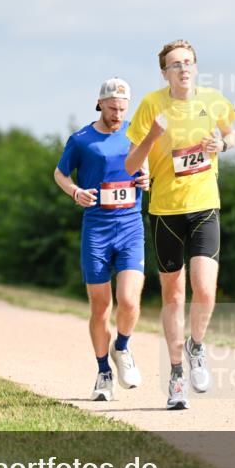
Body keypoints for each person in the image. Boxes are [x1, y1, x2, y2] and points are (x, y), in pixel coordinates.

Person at [124, 40, 235, 410]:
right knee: (173, 295)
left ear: (195, 67)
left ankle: (197, 347)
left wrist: (222, 144)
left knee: (205, 290)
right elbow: (130, 165)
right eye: (175, 65)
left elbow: (231, 134)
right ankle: (176, 376)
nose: (183, 69)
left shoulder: (213, 99)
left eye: (188, 63)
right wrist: (153, 137)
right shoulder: (151, 105)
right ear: (164, 73)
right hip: (165, 211)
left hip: (205, 205)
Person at [55, 78, 149, 402]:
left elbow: (146, 165)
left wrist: (147, 177)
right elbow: (60, 173)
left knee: (130, 300)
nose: (118, 114)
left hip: (130, 226)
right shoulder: (82, 140)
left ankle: (121, 347)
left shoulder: (136, 132)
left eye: (123, 108)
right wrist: (76, 192)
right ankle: (103, 372)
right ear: (100, 104)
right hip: (96, 229)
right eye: (112, 108)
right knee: (100, 307)